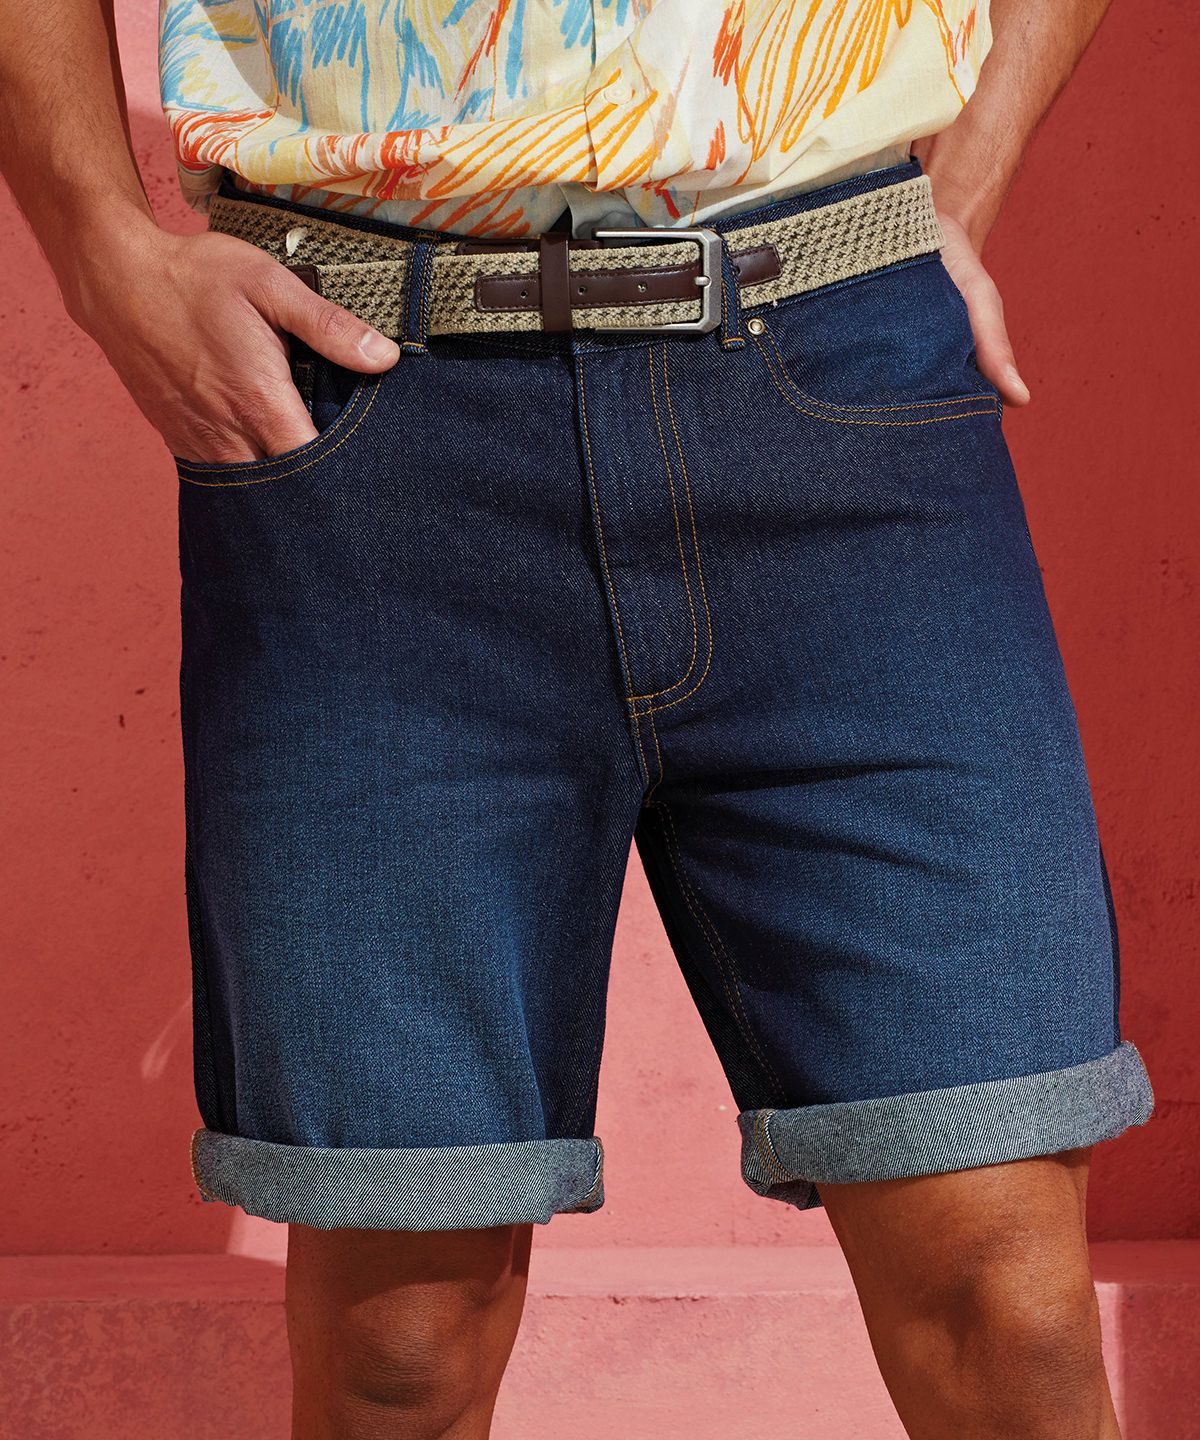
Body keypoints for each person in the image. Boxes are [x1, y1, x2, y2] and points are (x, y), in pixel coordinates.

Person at [0, 1, 1155, 1436]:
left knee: (1012, 1318)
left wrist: (961, 182)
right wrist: (99, 247)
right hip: (368, 414)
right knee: (399, 1354)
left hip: (838, 374)